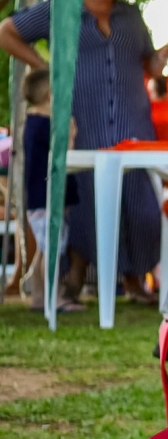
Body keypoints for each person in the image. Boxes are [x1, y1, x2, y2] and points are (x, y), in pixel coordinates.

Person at [0, 0, 168, 304]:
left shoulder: (131, 15)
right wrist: (43, 66)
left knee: (139, 201)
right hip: (82, 122)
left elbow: (148, 64)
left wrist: (160, 59)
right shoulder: (60, 10)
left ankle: (134, 280)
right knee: (84, 201)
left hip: (132, 125)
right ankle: (74, 279)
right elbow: (6, 31)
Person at [20, 67, 85, 312]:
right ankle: (54, 298)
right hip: (49, 198)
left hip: (37, 199)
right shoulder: (48, 125)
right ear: (50, 95)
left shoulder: (32, 123)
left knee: (44, 249)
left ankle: (39, 297)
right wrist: (71, 133)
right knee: (52, 251)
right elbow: (64, 156)